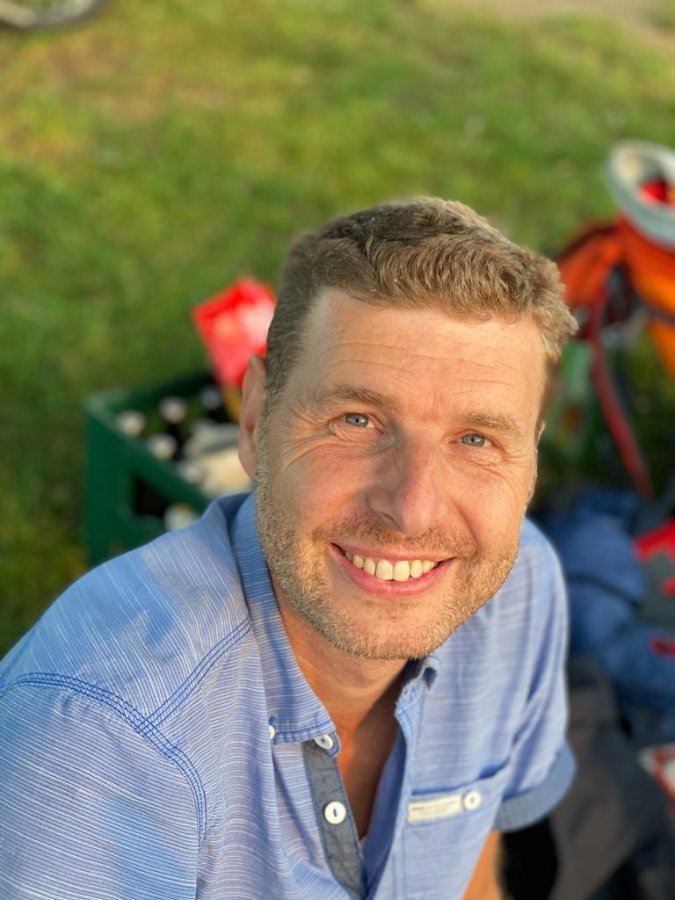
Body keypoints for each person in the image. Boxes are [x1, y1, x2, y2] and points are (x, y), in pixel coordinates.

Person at [0, 198, 578, 899]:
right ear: (254, 422)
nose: (411, 510)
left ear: (529, 458)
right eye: (357, 420)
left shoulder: (516, 589)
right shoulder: (97, 744)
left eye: (476, 439)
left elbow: (473, 861)